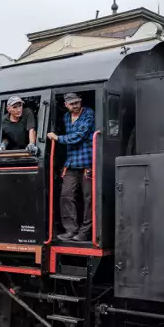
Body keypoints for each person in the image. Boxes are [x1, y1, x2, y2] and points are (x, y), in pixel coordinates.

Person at [47, 93, 95, 242]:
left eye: (77, 102)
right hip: (71, 163)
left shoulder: (88, 113)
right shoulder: (66, 118)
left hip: (88, 162)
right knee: (66, 195)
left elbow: (78, 135)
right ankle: (70, 229)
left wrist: (57, 138)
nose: (75, 106)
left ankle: (85, 232)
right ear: (66, 105)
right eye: (72, 104)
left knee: (89, 199)